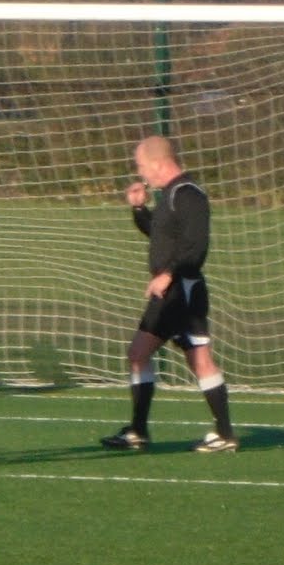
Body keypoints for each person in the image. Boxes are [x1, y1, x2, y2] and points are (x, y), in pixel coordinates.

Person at [100, 135, 238, 453]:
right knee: (145, 354)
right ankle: (139, 431)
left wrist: (168, 274)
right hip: (170, 292)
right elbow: (161, 235)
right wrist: (139, 210)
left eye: (141, 165)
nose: (141, 172)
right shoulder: (169, 195)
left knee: (188, 359)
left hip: (183, 292)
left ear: (158, 163)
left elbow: (195, 247)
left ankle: (222, 433)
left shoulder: (188, 195)